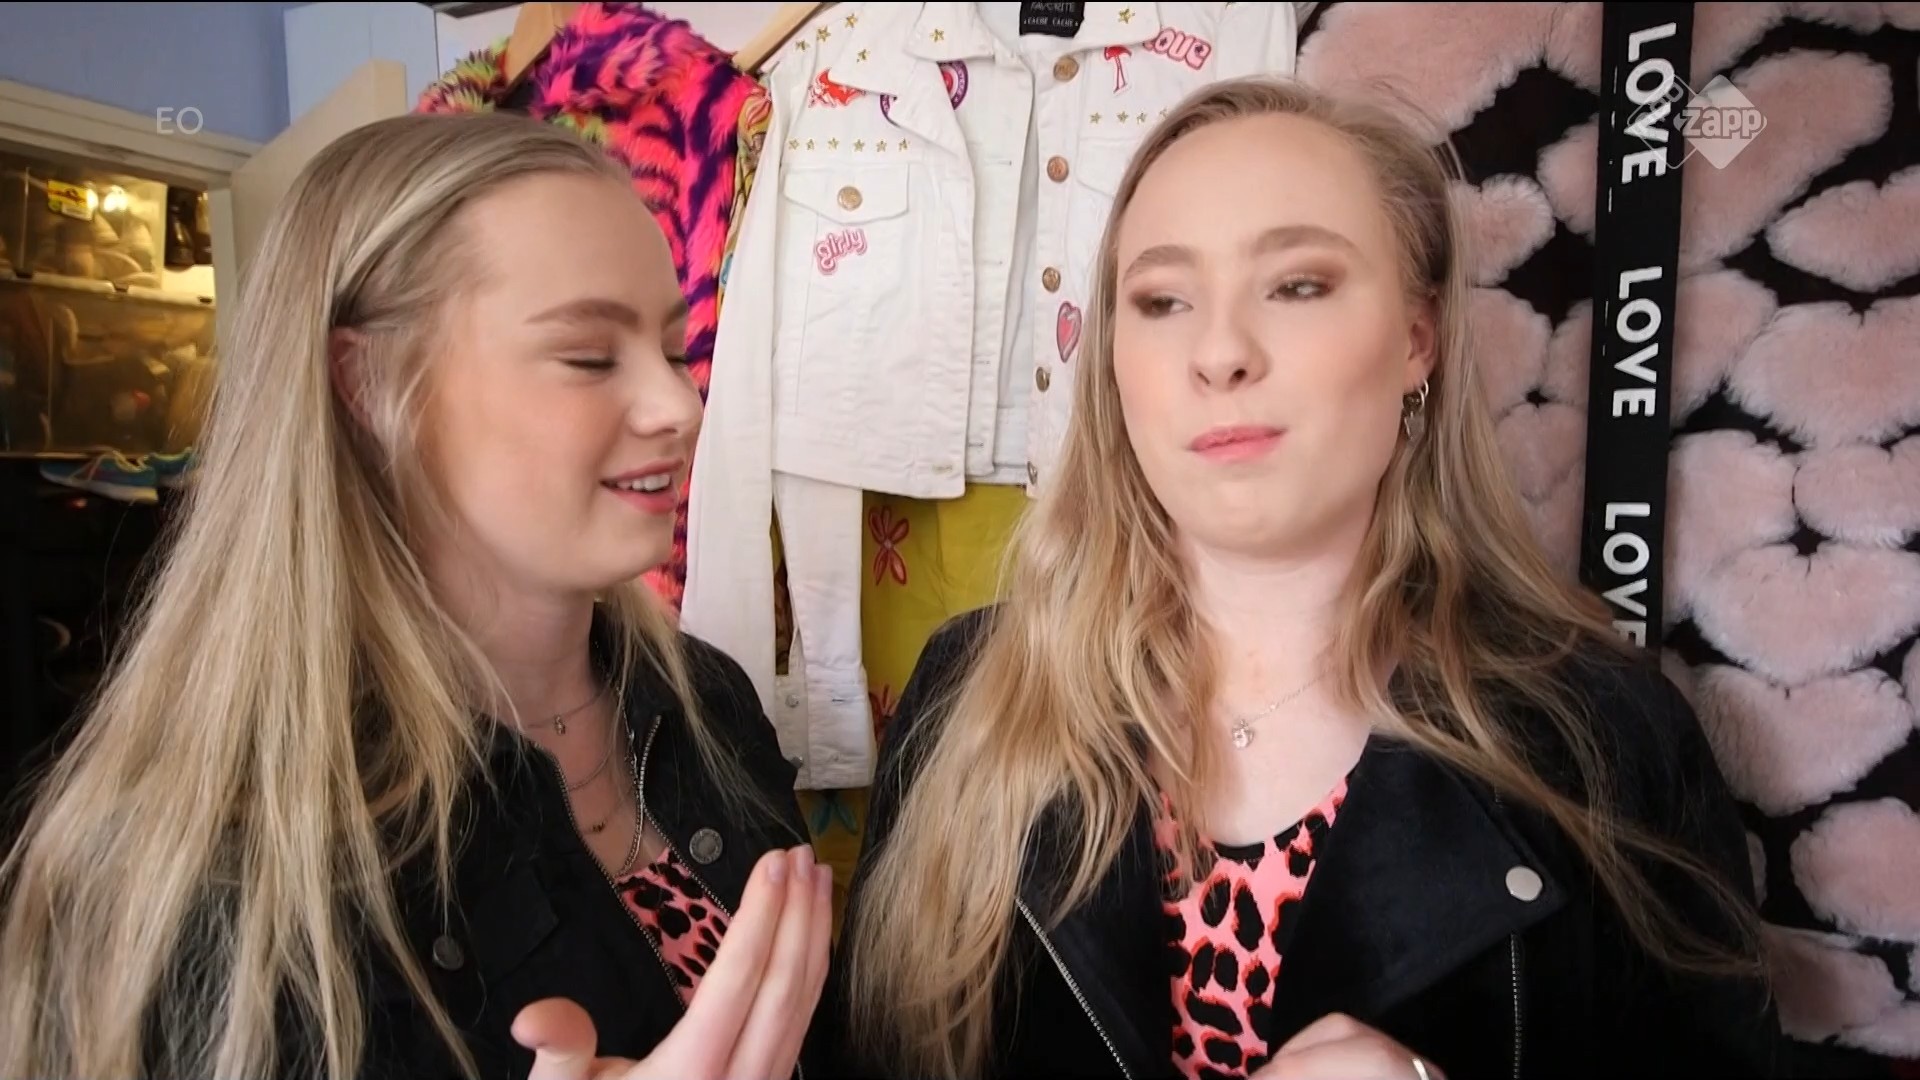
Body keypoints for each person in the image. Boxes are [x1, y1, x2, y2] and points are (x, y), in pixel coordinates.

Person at [832, 76, 1787, 1080]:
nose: (1220, 353)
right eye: (1161, 301)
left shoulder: (1607, 739)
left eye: (1296, 286)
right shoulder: (969, 694)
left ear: (1417, 339)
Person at [0, 112, 834, 1080]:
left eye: (676, 350)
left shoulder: (706, 702)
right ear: (369, 382)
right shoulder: (205, 870)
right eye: (589, 357)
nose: (680, 406)